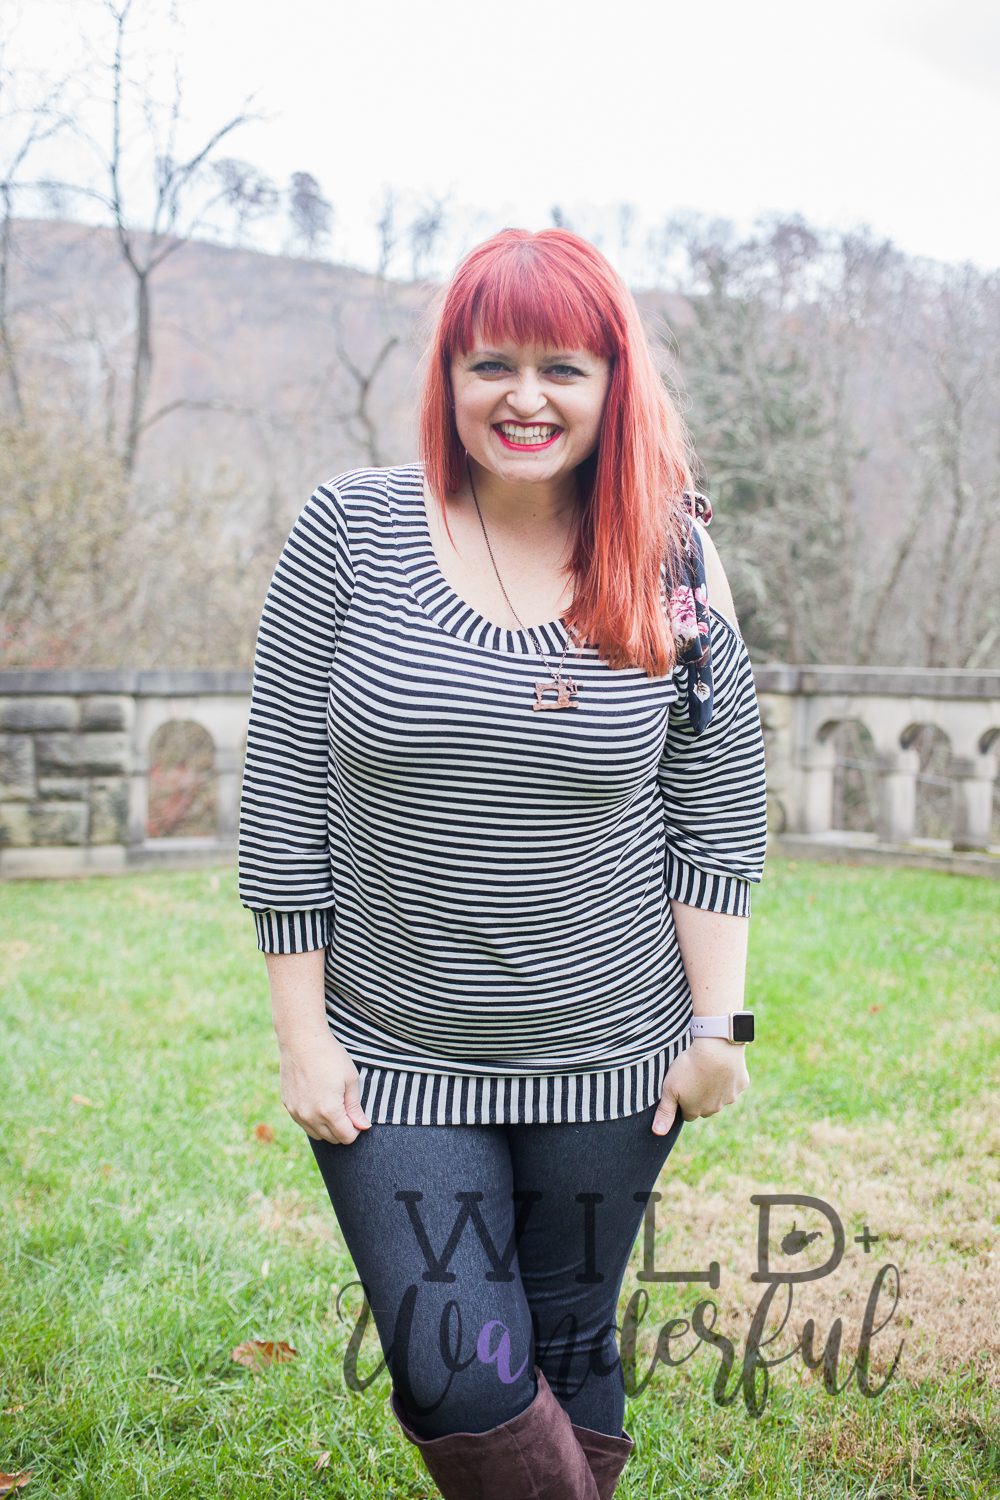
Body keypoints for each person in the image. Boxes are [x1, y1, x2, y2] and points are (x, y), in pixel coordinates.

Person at [237, 227, 768, 1500]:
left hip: (609, 1051)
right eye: (492, 364)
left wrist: (718, 1027)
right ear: (449, 375)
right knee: (457, 1364)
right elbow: (282, 795)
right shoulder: (351, 533)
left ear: (612, 383)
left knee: (567, 1334)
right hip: (392, 1052)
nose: (524, 397)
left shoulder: (670, 558)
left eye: (562, 368)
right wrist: (302, 1036)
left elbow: (716, 800)